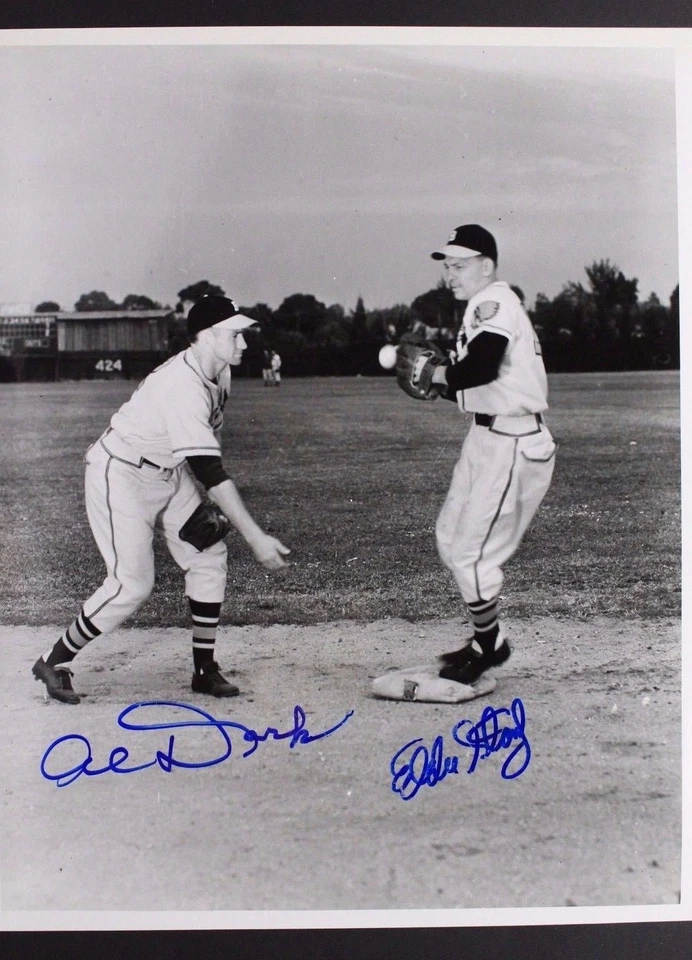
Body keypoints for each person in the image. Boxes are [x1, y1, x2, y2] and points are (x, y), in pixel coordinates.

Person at [32, 295, 290, 705]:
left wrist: (199, 499)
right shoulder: (183, 386)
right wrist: (256, 538)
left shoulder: (219, 371)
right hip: (120, 474)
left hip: (167, 473)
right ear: (205, 336)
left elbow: (209, 442)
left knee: (208, 556)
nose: (243, 343)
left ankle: (205, 670)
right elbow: (211, 472)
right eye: (235, 334)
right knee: (132, 584)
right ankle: (51, 661)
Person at [428, 224, 557, 686]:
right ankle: (487, 639)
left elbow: (480, 365)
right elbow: (484, 382)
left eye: (459, 266)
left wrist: (440, 373)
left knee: (470, 553)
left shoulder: (495, 301)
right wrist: (441, 383)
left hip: (513, 442)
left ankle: (489, 648)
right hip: (488, 437)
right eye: (447, 267)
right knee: (450, 538)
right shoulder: (481, 309)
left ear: (487, 265)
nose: (450, 275)